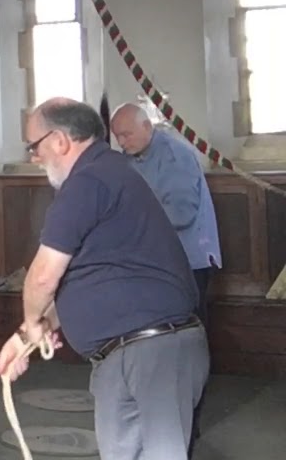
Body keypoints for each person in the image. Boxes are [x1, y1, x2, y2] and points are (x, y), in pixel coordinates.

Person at [0, 98, 208, 460]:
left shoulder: (89, 181)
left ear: (61, 140)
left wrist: (33, 324)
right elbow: (87, 279)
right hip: (124, 352)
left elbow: (43, 277)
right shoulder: (106, 174)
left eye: (34, 146)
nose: (34, 157)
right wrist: (25, 336)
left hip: (151, 349)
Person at [110, 101, 221, 456]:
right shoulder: (129, 158)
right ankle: (159, 421)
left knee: (183, 347)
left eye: (126, 134)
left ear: (147, 127)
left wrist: (131, 222)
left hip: (188, 261)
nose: (121, 141)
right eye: (117, 136)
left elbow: (182, 211)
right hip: (153, 263)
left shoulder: (175, 155)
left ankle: (185, 427)